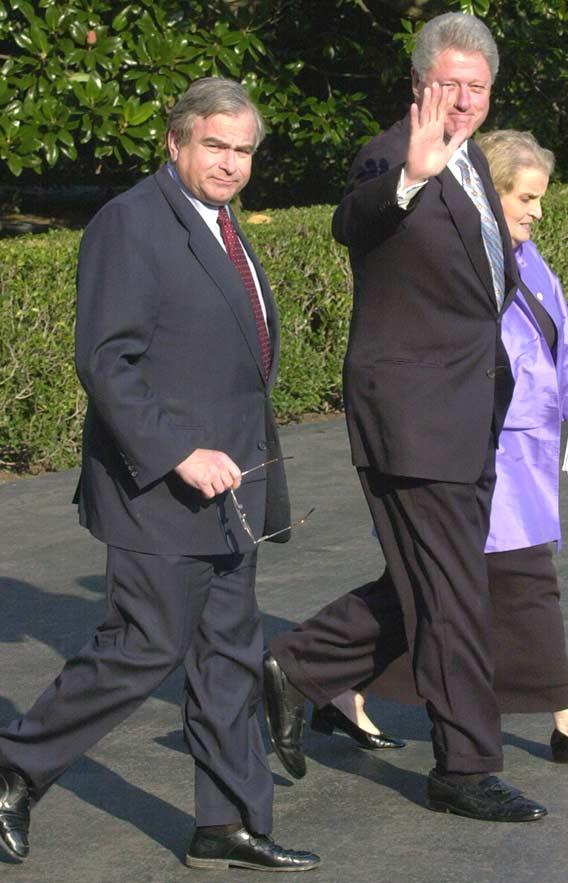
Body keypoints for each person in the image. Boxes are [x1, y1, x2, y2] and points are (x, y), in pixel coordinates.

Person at [0, 78, 319, 873]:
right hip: (159, 486)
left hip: (230, 488)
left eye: (244, 150)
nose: (232, 163)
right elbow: (107, 361)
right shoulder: (130, 223)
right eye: (216, 145)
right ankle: (15, 767)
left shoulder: (221, 224)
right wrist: (179, 451)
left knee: (228, 656)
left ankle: (230, 822)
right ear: (175, 143)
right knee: (142, 648)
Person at [264, 13, 548, 823]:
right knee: (457, 591)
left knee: (432, 580)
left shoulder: (471, 166)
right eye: (448, 84)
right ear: (420, 84)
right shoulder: (396, 154)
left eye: (477, 88)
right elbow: (352, 220)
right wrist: (408, 179)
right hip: (415, 414)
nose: (462, 101)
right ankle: (463, 767)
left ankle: (293, 666)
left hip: (462, 411)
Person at [327, 130, 568, 766]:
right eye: (525, 198)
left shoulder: (528, 257)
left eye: (538, 200)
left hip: (523, 444)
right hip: (483, 441)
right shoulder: (461, 260)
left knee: (430, 586)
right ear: (490, 192)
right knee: (521, 581)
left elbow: (557, 338)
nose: (535, 212)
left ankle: (333, 679)